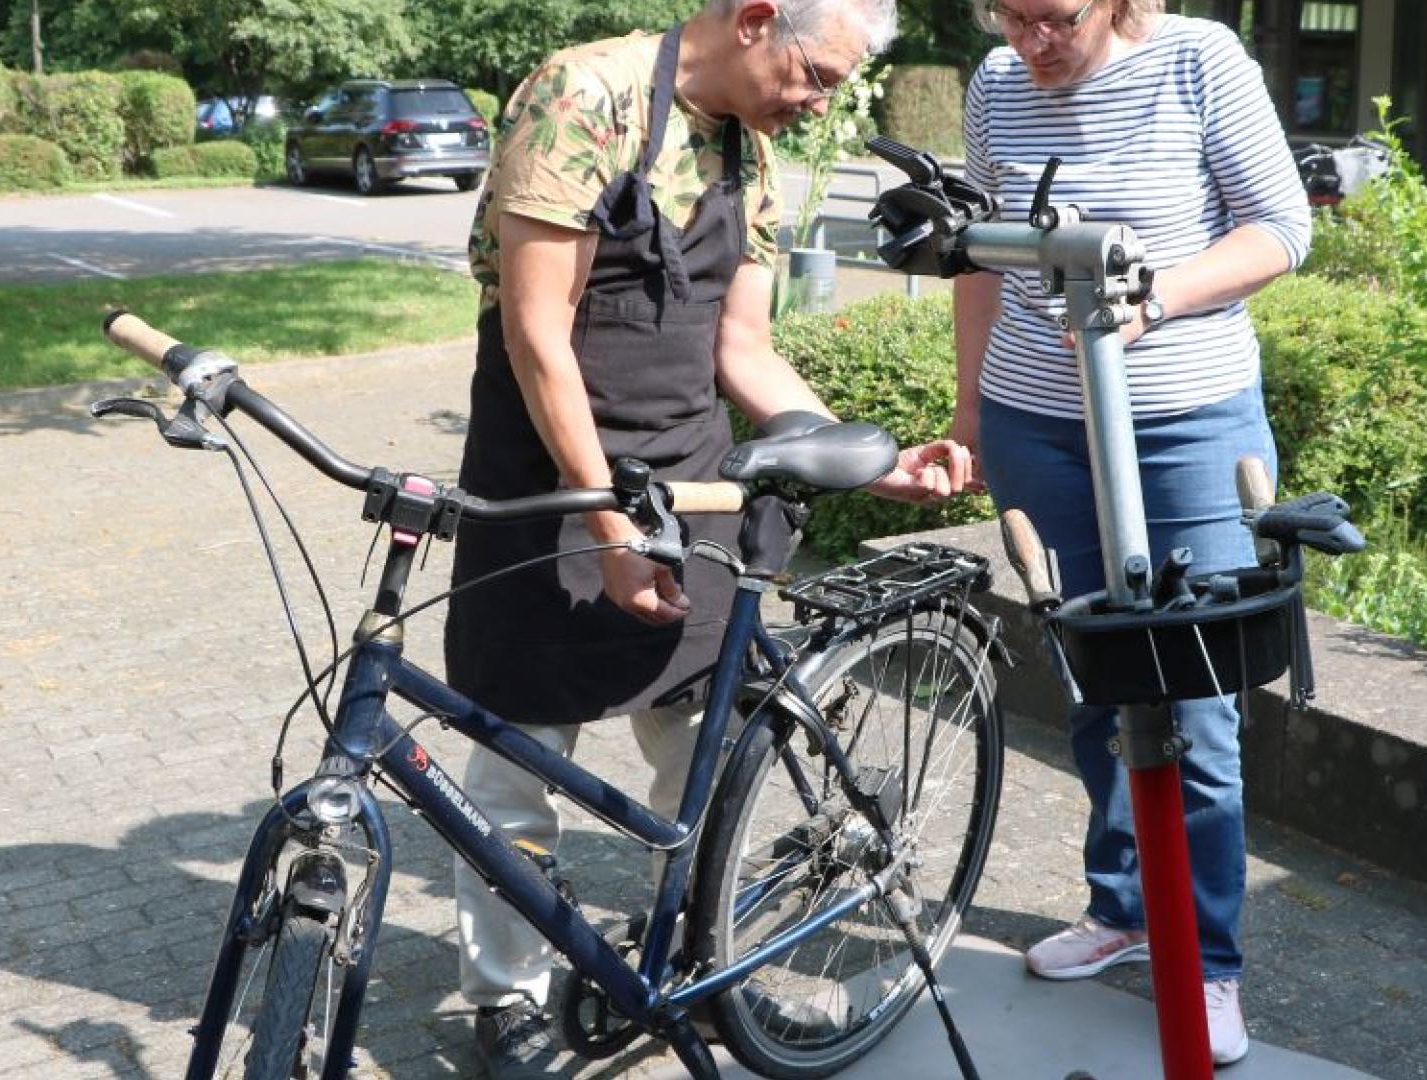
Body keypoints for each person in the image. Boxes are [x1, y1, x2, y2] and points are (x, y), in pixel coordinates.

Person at [446, 2, 971, 1075]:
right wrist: (604, 524)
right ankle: (508, 999)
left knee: (701, 753)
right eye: (817, 73)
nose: (822, 100)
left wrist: (865, 457)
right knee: (519, 759)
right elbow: (538, 336)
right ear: (755, 20)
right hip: (554, 478)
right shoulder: (581, 97)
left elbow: (743, 347)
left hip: (689, 481)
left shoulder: (748, 151)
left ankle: (684, 954)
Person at [951, 0, 1310, 1066]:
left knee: (1194, 703)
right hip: (1037, 422)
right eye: (1010, 17)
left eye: (1054, 17)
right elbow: (977, 254)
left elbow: (1281, 227)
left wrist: (1158, 291)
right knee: (1094, 680)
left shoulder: (1199, 60)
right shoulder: (994, 83)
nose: (1032, 42)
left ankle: (1208, 962)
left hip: (1185, 425)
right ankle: (1121, 908)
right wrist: (970, 408)